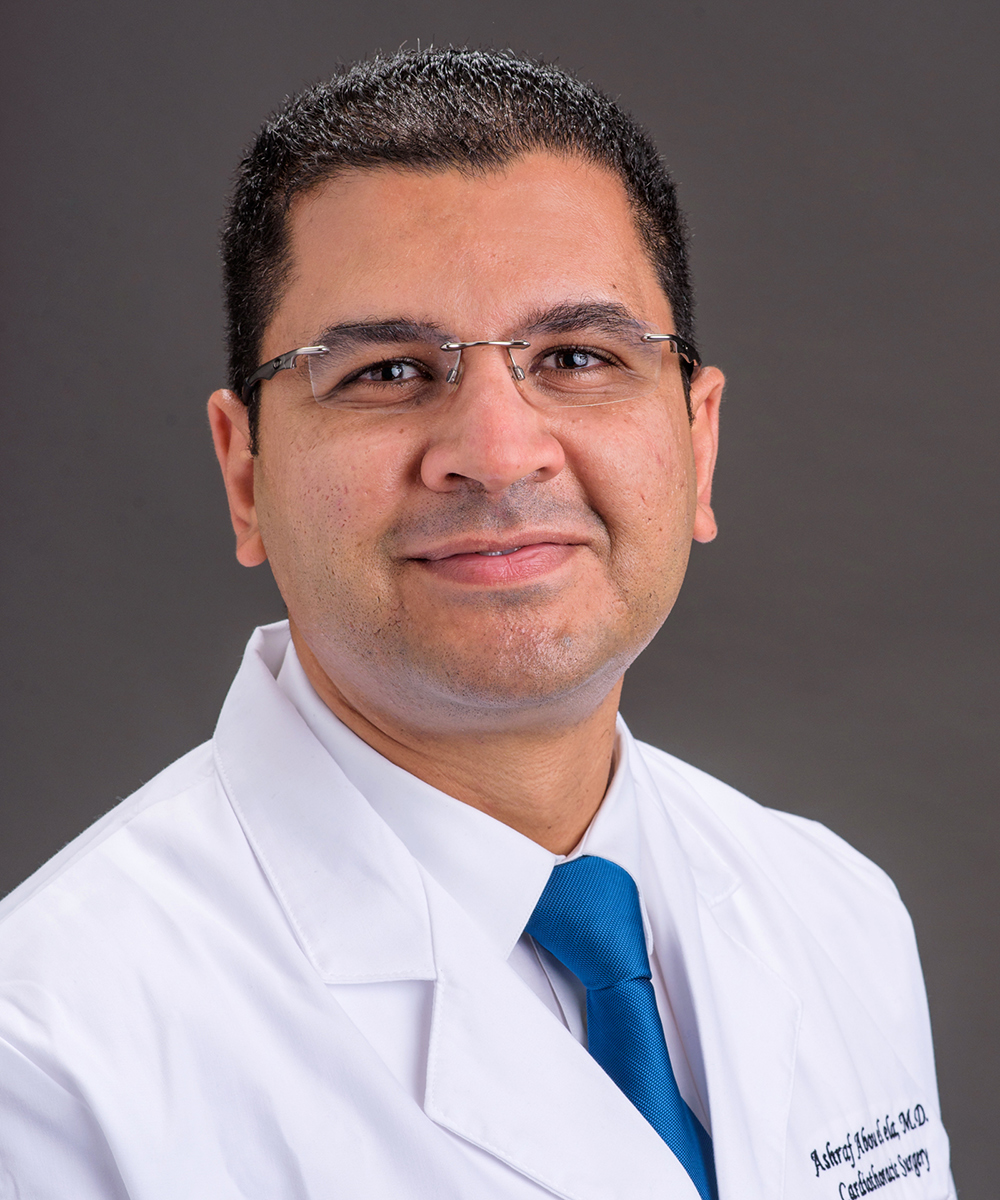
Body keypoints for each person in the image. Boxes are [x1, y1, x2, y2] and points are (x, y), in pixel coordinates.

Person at [0, 47, 954, 1200]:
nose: (497, 455)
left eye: (576, 357)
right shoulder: (46, 1060)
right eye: (388, 372)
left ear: (698, 443)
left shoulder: (835, 910)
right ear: (244, 472)